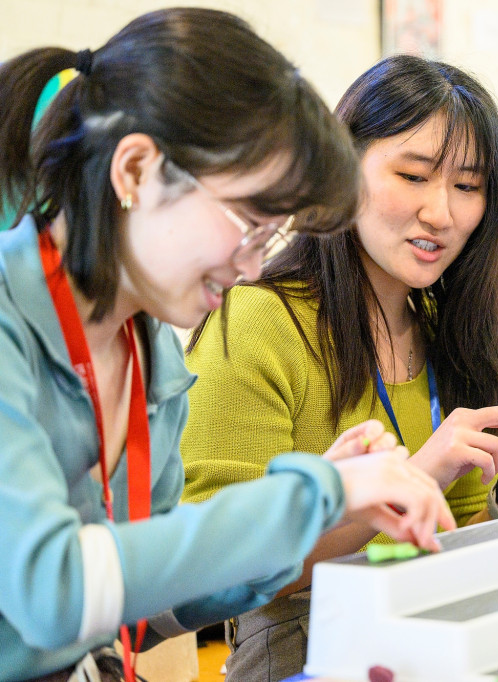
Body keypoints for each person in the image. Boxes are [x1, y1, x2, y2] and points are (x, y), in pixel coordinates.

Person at [0, 10, 456, 681]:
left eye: (270, 236)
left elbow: (142, 613)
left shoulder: (151, 353)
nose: (251, 265)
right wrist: (311, 494)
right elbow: (55, 591)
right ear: (135, 169)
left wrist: (306, 518)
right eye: (248, 222)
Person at [180, 54, 498, 680]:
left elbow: (456, 533)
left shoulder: (452, 329)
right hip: (304, 654)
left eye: (467, 187)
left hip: (444, 636)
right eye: (413, 175)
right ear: (343, 169)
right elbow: (217, 573)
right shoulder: (256, 321)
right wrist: (407, 482)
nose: (441, 213)